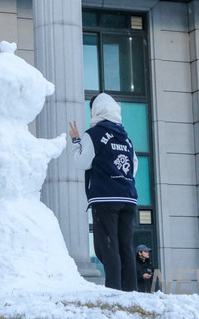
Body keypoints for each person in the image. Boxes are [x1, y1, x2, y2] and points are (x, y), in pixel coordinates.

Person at [69, 93, 138, 291]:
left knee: (107, 246)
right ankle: (130, 290)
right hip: (128, 198)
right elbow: (133, 167)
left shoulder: (95, 134)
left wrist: (76, 141)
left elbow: (80, 162)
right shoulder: (126, 139)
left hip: (106, 198)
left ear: (97, 110)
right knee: (125, 246)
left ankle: (115, 290)